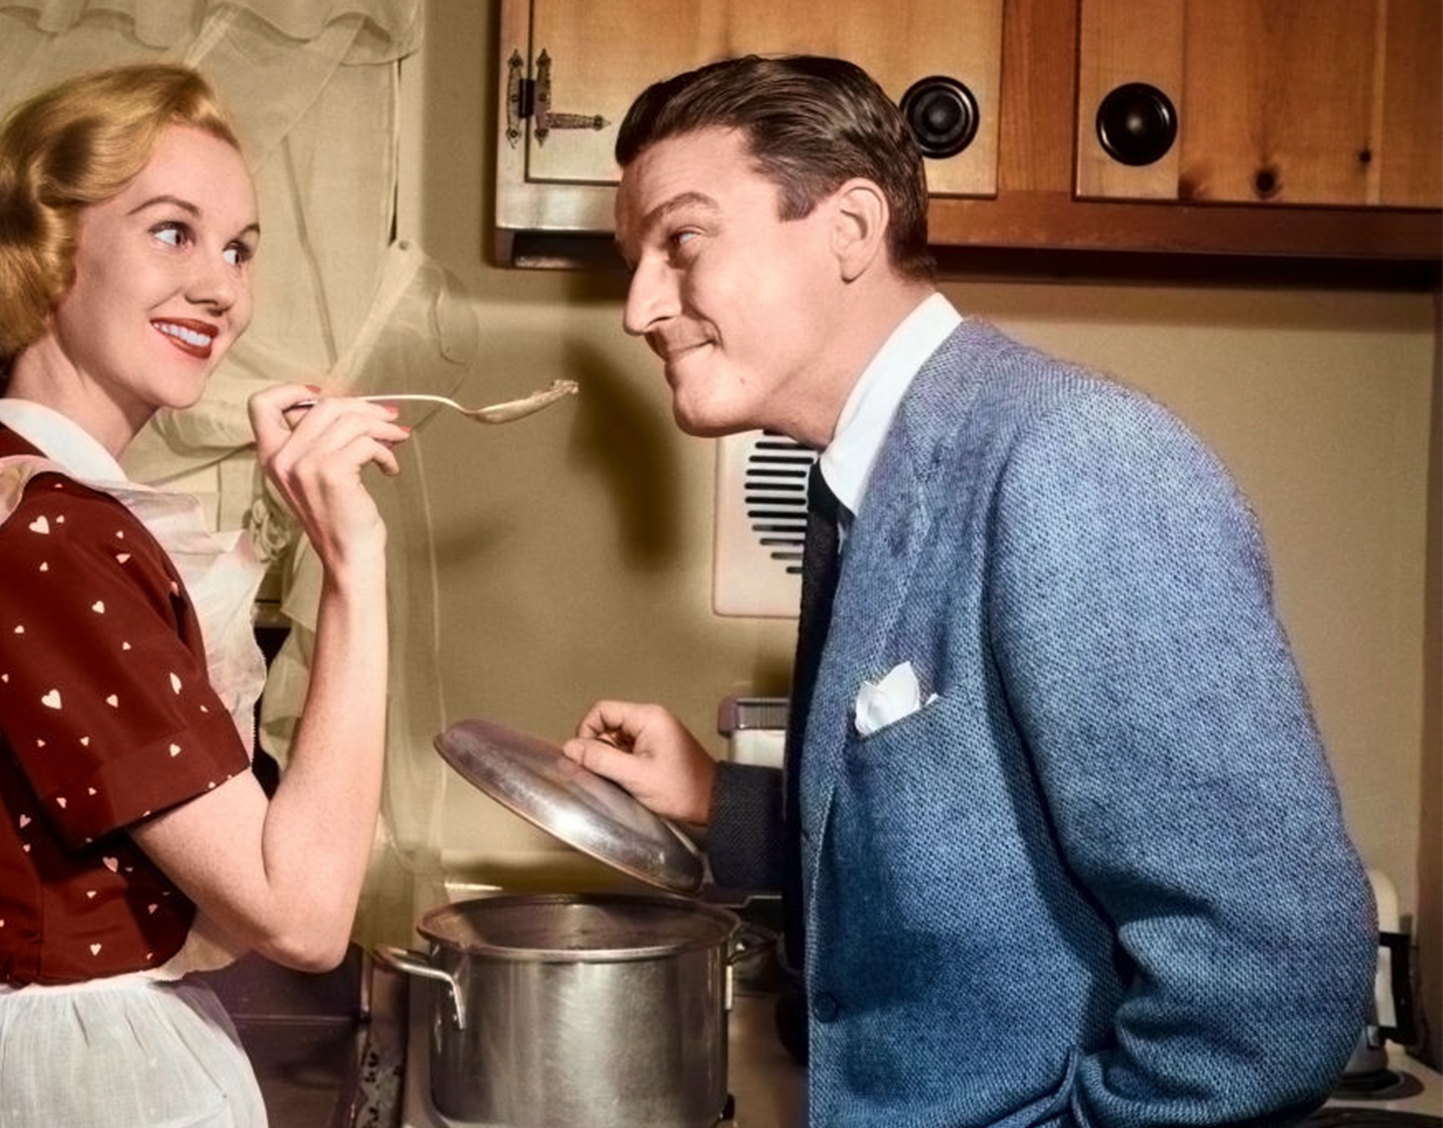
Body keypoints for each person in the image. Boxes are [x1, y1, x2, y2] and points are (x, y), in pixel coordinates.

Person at [563, 54, 1375, 1126]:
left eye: (682, 242)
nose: (637, 309)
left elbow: (1278, 983)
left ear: (851, 227)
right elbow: (974, 848)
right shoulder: (861, 481)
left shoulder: (1075, 460)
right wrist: (727, 807)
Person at [0, 63, 409, 1127]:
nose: (223, 287)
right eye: (172, 231)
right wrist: (353, 560)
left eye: (239, 248)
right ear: (42, 261)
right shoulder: (48, 538)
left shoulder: (2, 502)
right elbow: (305, 918)